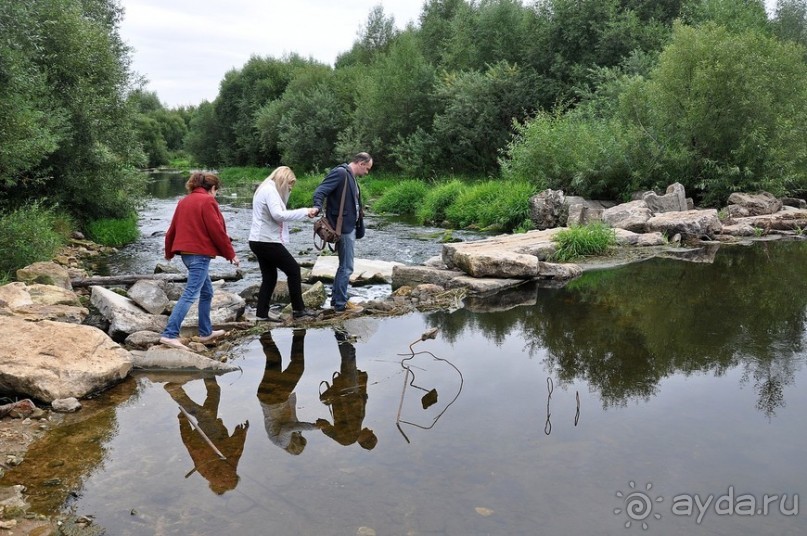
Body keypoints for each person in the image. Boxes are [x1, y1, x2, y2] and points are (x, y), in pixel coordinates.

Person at [160, 171, 239, 350]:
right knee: (191, 294)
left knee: (207, 292)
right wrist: (231, 254)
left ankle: (205, 332)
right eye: (216, 190)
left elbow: (172, 229)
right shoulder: (207, 201)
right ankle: (169, 334)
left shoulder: (184, 201)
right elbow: (216, 230)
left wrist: (169, 251)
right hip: (200, 255)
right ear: (212, 188)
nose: (216, 194)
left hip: (187, 255)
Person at [249, 166, 318, 321]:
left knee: (270, 277)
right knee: (294, 270)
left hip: (258, 240)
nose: (290, 188)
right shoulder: (270, 190)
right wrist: (305, 211)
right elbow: (278, 215)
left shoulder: (266, 188)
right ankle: (299, 310)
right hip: (266, 241)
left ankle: (261, 314)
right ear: (283, 179)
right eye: (289, 185)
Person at [165, 378, 249, 495]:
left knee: (205, 415)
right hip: (203, 438)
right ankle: (208, 373)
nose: (231, 474)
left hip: (210, 439)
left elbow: (234, 450)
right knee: (213, 397)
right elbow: (190, 445)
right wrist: (183, 422)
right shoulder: (204, 472)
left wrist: (241, 433)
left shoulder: (225, 476)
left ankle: (176, 392)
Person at [312, 152, 372, 313]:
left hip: (349, 227)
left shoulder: (350, 176)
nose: (367, 172)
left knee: (344, 266)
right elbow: (320, 191)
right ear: (360, 163)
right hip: (343, 228)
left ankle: (337, 299)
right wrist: (317, 206)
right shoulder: (340, 173)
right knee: (347, 267)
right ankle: (340, 303)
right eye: (367, 168)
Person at [256, 329, 318, 455]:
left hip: (273, 399)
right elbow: (291, 416)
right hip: (271, 397)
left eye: (300, 439)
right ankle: (264, 334)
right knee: (275, 360)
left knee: (297, 366)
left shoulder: (282, 443)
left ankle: (299, 332)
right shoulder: (287, 438)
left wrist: (313, 427)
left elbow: (288, 427)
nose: (299, 436)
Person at [316, 328, 378, 450]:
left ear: (366, 439)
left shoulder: (348, 439)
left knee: (349, 357)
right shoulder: (354, 430)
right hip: (345, 391)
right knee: (348, 359)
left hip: (348, 390)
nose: (370, 429)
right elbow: (325, 426)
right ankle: (341, 332)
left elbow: (327, 428)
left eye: (371, 433)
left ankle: (341, 331)